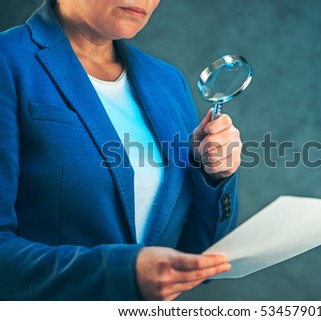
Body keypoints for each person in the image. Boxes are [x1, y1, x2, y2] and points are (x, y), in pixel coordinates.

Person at [0, 0, 242, 300]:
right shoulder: (8, 62)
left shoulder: (167, 81)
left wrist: (213, 175)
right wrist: (122, 272)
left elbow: (196, 254)